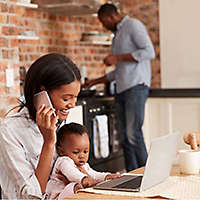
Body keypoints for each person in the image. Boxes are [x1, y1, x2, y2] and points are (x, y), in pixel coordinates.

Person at [82, 3, 155, 171]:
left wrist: (117, 57)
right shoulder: (117, 35)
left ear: (110, 17)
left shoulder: (132, 26)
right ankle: (132, 176)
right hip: (122, 90)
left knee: (133, 134)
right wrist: (94, 82)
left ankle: (148, 174)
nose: (103, 25)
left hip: (136, 87)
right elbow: (120, 71)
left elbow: (149, 52)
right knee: (124, 138)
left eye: (102, 21)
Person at [0, 53, 81, 199]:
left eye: (75, 97)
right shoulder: (9, 131)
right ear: (42, 93)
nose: (72, 105)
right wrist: (48, 143)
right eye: (66, 98)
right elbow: (32, 196)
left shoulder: (58, 123)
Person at [46, 122, 121, 199]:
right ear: (61, 151)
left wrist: (106, 176)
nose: (82, 156)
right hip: (57, 196)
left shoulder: (83, 165)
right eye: (75, 152)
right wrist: (83, 179)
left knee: (88, 186)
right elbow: (71, 172)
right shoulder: (63, 161)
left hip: (71, 194)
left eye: (85, 151)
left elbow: (94, 175)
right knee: (77, 185)